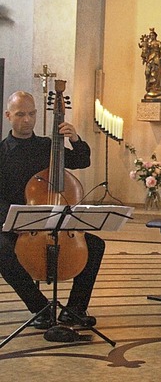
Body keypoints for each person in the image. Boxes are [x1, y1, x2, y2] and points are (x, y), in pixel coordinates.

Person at [0, 91, 105, 329]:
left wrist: (76, 139)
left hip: (55, 223)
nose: (27, 119)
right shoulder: (2, 152)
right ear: (8, 116)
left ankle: (75, 309)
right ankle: (39, 307)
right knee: (1, 249)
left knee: (96, 245)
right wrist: (13, 219)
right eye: (20, 114)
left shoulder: (47, 146)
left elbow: (81, 161)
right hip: (17, 225)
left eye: (32, 114)